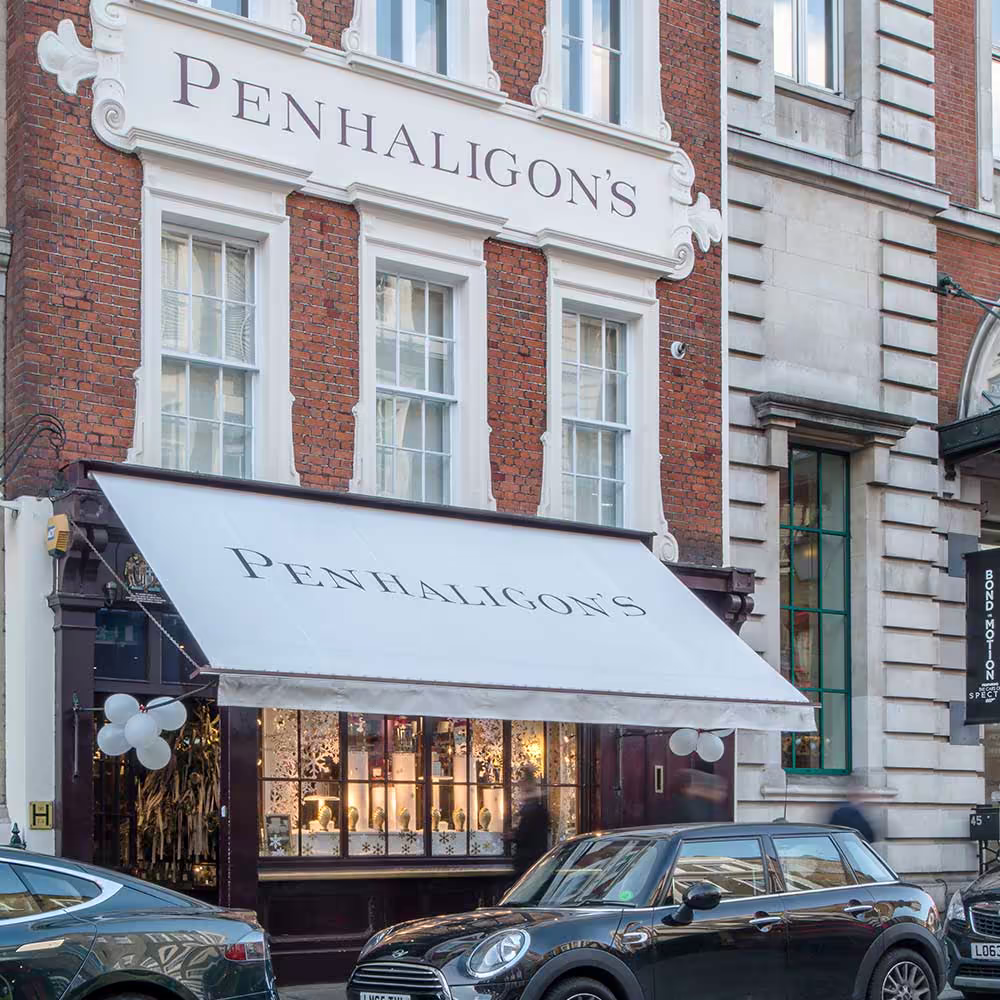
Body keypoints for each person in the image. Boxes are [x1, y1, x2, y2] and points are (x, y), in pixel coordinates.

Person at [511, 767, 550, 878]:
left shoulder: (532, 811)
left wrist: (513, 836)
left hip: (528, 860)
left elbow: (524, 835)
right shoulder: (538, 809)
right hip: (534, 858)